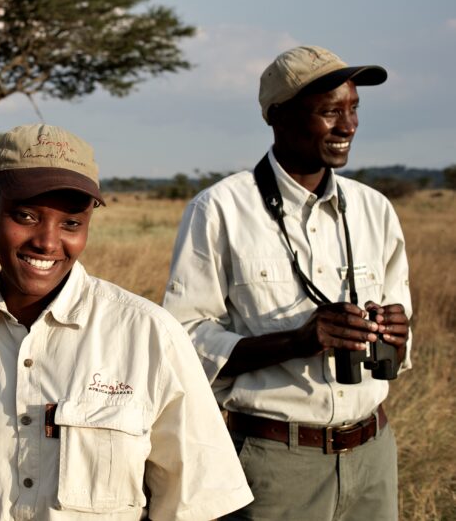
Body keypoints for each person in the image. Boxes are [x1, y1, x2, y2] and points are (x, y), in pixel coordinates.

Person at [0, 123, 253, 520]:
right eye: (25, 216)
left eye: (71, 224)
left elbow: (197, 503)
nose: (46, 241)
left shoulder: (150, 335)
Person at [163, 46, 412, 520]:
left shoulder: (374, 210)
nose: (348, 126)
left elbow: (400, 344)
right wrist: (296, 342)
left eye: (354, 108)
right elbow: (184, 341)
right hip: (275, 461)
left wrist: (396, 334)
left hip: (373, 454)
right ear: (278, 117)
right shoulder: (219, 210)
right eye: (329, 112)